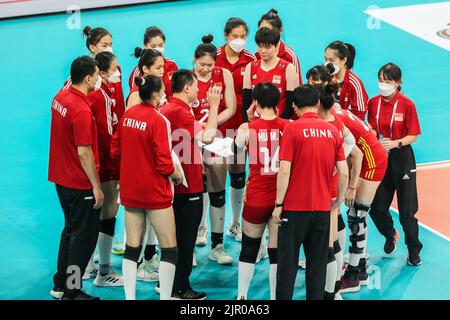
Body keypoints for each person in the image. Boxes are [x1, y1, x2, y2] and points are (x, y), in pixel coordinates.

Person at [273, 84, 349, 300]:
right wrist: (338, 200)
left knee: (287, 266)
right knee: (317, 266)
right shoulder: (333, 131)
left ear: (295, 107)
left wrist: (279, 205)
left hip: (295, 210)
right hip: (322, 209)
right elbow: (343, 171)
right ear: (317, 104)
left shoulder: (291, 129)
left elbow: (285, 169)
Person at [110, 75, 182, 300]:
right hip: (155, 193)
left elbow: (115, 149)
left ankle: (130, 297)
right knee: (170, 249)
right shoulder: (159, 120)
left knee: (132, 247)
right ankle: (166, 298)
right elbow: (163, 162)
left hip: (131, 192)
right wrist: (177, 174)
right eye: (162, 91)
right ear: (156, 94)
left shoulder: (128, 115)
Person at [160, 69, 222, 300]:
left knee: (173, 237)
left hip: (176, 183)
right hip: (188, 187)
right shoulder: (181, 112)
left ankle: (167, 282)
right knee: (186, 240)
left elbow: (182, 142)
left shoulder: (168, 108)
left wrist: (195, 158)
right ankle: (180, 288)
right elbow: (208, 136)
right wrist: (214, 106)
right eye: (196, 86)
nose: (199, 90)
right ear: (186, 88)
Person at [48, 56, 104, 300]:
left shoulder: (61, 97)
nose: (100, 78)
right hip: (80, 183)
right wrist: (96, 186)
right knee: (83, 238)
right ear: (88, 78)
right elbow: (84, 152)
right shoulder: (81, 110)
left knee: (70, 230)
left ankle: (60, 283)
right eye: (97, 73)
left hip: (61, 177)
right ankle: (72, 289)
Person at [234, 82, 289, 300]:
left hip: (256, 197)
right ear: (278, 103)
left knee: (248, 248)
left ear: (254, 103)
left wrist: (249, 120)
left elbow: (236, 150)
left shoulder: (247, 129)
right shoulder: (288, 126)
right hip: (280, 199)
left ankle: (242, 296)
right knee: (276, 254)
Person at [368, 63, 423, 267]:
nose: (383, 85)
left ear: (398, 83)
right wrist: (373, 138)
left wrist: (396, 143)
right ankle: (390, 234)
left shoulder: (407, 104)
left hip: (402, 157)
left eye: (387, 81)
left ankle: (413, 250)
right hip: (381, 157)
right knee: (376, 207)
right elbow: (372, 128)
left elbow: (413, 135)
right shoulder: (373, 103)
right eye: (380, 80)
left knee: (407, 211)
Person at [313, 81, 364, 300]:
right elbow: (351, 143)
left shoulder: (328, 125)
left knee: (329, 244)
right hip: (329, 187)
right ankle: (331, 289)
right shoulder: (335, 121)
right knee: (329, 241)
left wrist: (336, 168)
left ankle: (331, 292)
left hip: (325, 189)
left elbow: (355, 153)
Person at [191, 35, 237, 265]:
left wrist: (211, 125)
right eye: (202, 65)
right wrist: (200, 130)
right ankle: (193, 238)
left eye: (210, 65)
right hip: (189, 139)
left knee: (218, 190)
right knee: (192, 191)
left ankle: (217, 246)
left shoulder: (223, 75)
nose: (206, 69)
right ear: (194, 60)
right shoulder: (186, 79)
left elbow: (232, 108)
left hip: (217, 137)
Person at [215, 17, 256, 243]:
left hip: (241, 124)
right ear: (226, 36)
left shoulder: (251, 59)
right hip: (219, 122)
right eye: (235, 36)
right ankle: (205, 228)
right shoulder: (214, 57)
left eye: (243, 37)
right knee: (214, 175)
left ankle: (235, 223)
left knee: (238, 173)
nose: (239, 41)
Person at [87, 51, 123, 287]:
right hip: (104, 167)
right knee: (108, 214)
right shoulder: (102, 97)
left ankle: (86, 266)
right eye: (115, 68)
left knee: (86, 217)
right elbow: (108, 135)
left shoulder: (80, 91)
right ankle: (104, 272)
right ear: (100, 73)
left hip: (87, 164)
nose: (118, 72)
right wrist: (117, 169)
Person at [243, 27, 298, 121]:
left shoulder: (288, 68)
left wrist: (278, 123)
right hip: (255, 122)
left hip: (280, 122)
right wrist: (248, 122)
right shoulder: (250, 67)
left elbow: (290, 105)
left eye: (267, 47)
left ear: (277, 46)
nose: (263, 51)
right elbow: (246, 102)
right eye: (260, 46)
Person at [324, 41, 368, 121]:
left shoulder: (354, 83)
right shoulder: (323, 78)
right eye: (326, 59)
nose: (327, 63)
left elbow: (360, 114)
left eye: (331, 60)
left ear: (343, 60)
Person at [128, 26, 178, 95]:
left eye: (160, 45)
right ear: (144, 46)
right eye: (153, 46)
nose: (157, 49)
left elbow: (178, 91)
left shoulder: (172, 65)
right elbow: (135, 97)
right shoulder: (138, 72)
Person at [256, 9, 302, 83]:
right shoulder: (257, 55)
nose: (264, 34)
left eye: (268, 30)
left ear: (280, 32)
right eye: (261, 30)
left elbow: (297, 87)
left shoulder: (289, 56)